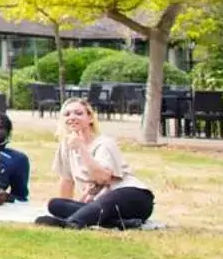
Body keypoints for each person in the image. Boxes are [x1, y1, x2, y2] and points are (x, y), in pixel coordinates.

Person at [36, 98, 156, 229]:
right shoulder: (66, 146)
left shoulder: (104, 143)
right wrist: (66, 207)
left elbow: (102, 178)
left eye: (78, 113)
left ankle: (73, 223)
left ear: (90, 118)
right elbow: (67, 180)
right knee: (55, 204)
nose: (72, 117)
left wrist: (81, 148)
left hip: (132, 197)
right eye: (67, 114)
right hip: (100, 204)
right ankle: (118, 223)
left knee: (109, 199)